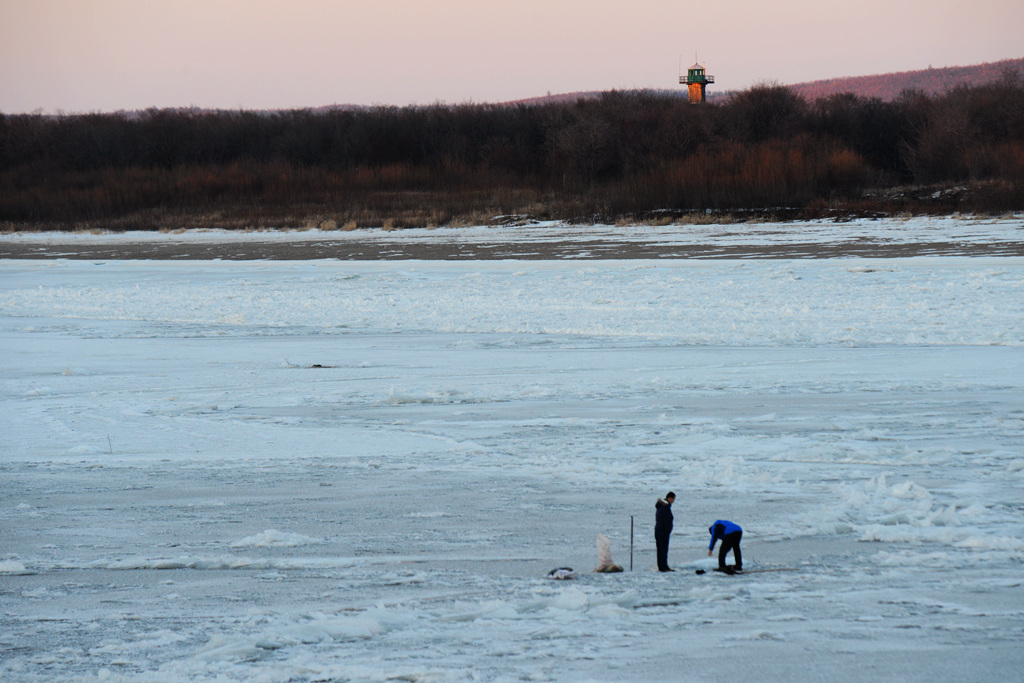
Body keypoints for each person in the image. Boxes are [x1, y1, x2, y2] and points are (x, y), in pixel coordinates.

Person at [654, 492, 676, 572]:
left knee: (660, 550)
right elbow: (666, 521)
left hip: (658, 530)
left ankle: (662, 566)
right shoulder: (665, 507)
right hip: (663, 532)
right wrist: (668, 530)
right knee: (663, 550)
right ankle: (663, 567)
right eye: (673, 499)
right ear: (669, 498)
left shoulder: (660, 507)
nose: (673, 501)